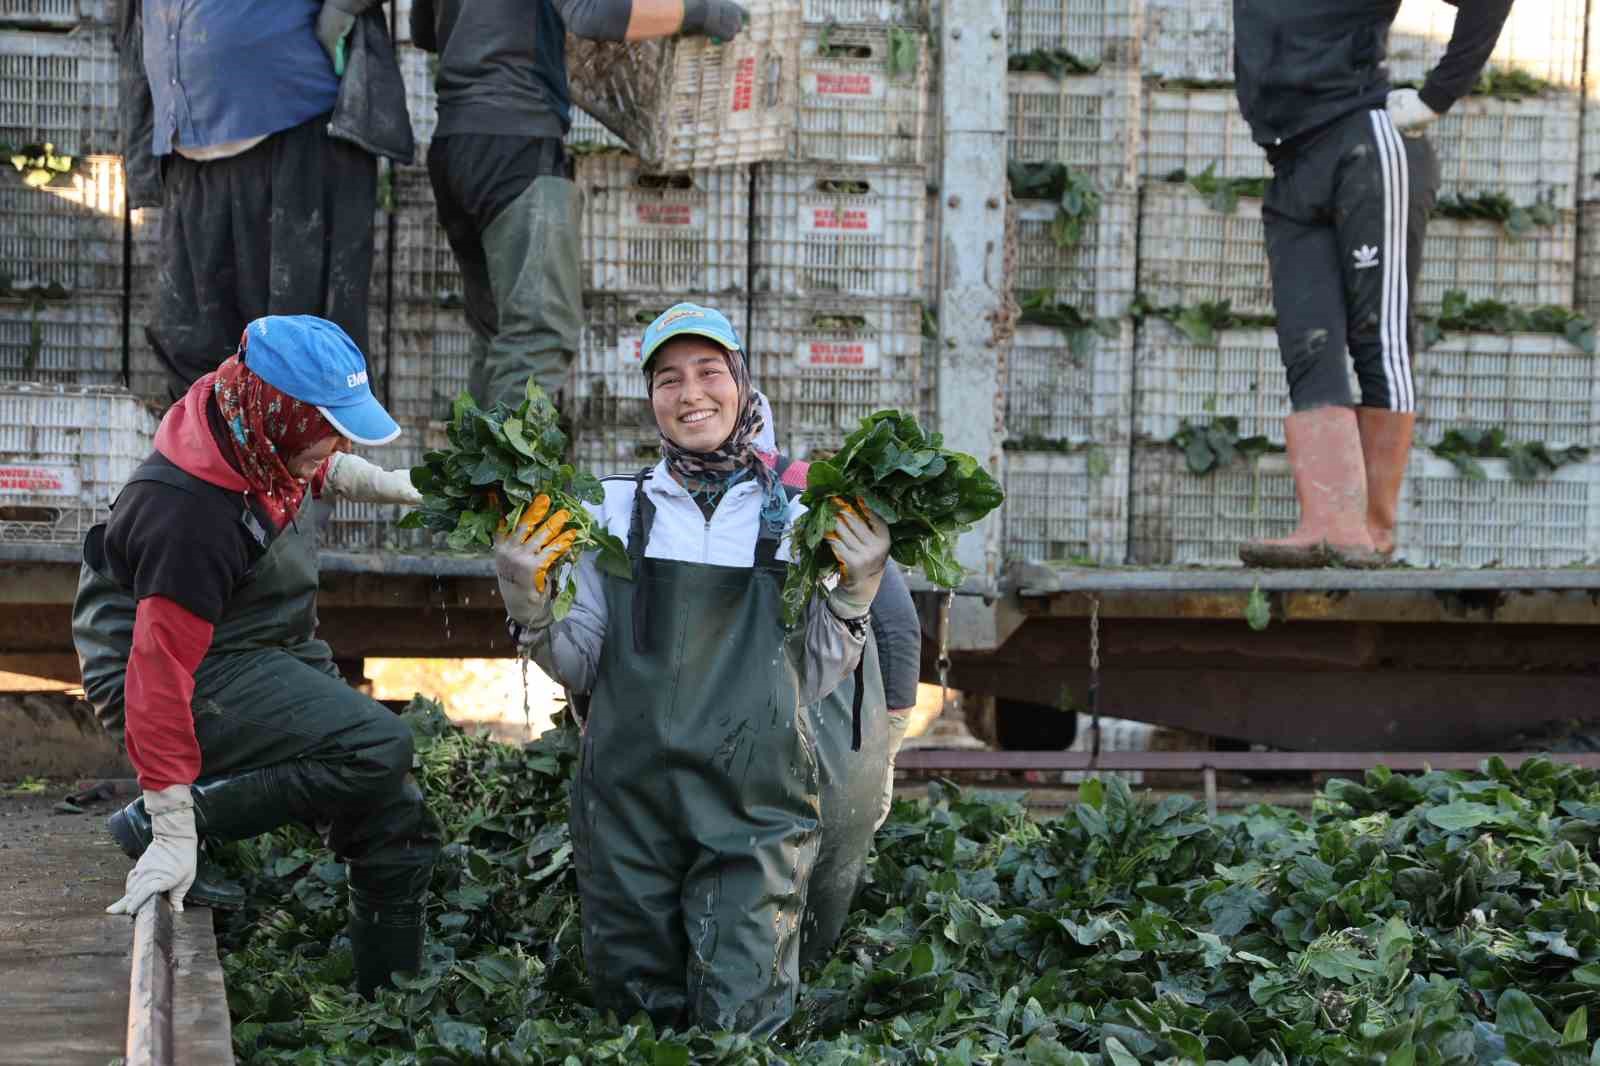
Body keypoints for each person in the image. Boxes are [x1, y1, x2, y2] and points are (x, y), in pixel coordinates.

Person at [493, 302, 890, 1036]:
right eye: (668, 378)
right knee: (633, 1026)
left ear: (743, 383)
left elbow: (821, 672)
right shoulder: (605, 512)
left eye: (710, 371)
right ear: (650, 400)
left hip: (755, 811)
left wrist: (857, 593)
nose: (690, 393)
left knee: (740, 1022)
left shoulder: (802, 518)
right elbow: (582, 666)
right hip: (628, 808)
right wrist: (531, 602)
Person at [71, 316, 442, 1000]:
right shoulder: (191, 513)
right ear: (282, 413)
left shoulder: (253, 419)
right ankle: (157, 821)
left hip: (253, 638)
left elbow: (320, 462)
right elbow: (157, 677)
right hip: (169, 670)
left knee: (398, 813)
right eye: (325, 426)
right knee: (377, 746)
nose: (333, 443)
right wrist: (176, 820)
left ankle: (388, 1012)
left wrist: (406, 487)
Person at [1232, 0, 1512, 566]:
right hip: (1290, 162)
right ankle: (1329, 524)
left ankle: (1372, 530)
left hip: (1364, 139)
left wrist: (1438, 96)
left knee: (1376, 335)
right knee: (1307, 345)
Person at [408, 0, 747, 410]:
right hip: (516, 141)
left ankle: (471, 470)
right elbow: (593, 14)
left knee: (498, 332)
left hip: (454, 145)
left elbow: (425, 31)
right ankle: (507, 472)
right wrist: (699, 13)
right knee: (538, 335)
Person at [118, 0, 415, 401]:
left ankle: (310, 463)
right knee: (192, 349)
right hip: (190, 152)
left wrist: (342, 8)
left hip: (295, 133)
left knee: (298, 355)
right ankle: (218, 461)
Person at [750, 397, 922, 969]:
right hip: (781, 731)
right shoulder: (665, 507)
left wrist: (890, 734)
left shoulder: (812, 499)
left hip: (827, 722)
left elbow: (894, 621)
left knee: (808, 874)